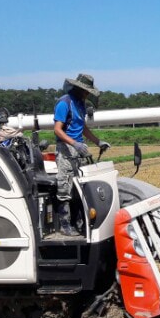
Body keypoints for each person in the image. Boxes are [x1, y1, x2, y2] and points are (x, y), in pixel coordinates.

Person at [53, 73, 110, 236]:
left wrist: (98, 142)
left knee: (80, 186)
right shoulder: (65, 103)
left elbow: (82, 127)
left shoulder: (81, 104)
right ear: (78, 88)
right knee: (65, 186)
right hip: (66, 149)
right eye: (85, 91)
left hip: (78, 149)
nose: (87, 94)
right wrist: (74, 143)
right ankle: (65, 224)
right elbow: (57, 129)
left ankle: (79, 222)